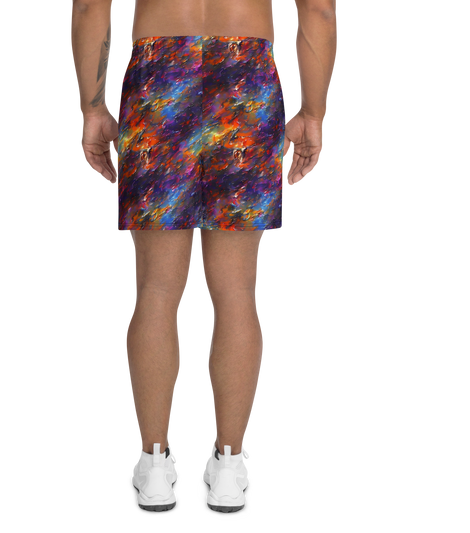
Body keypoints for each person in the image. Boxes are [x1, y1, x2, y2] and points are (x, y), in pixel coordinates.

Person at [69, 0, 339, 512]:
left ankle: (153, 466)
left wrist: (92, 107)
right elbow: (320, 10)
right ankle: (230, 467)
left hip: (158, 70)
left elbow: (89, 7)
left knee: (155, 289)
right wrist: (314, 113)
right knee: (237, 291)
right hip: (246, 72)